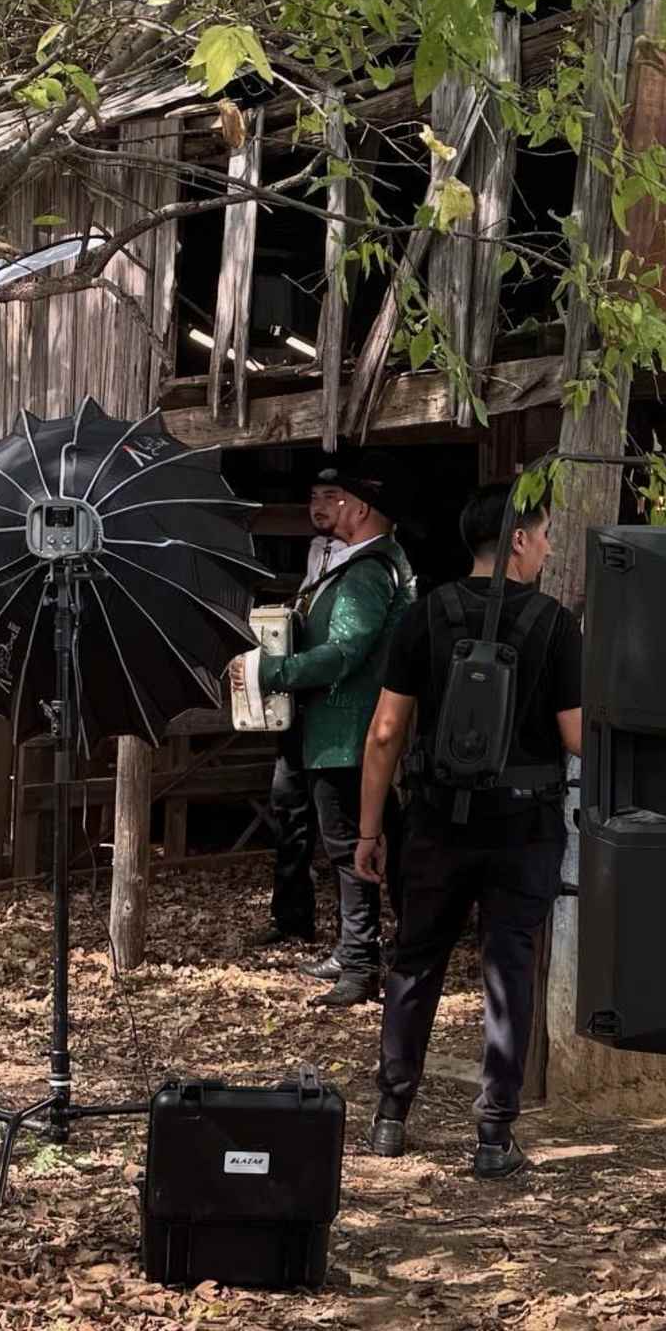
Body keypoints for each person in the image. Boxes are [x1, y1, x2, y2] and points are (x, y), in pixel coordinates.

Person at [355, 480, 583, 1177]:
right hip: (524, 823)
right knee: (509, 967)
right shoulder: (553, 624)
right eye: (544, 535)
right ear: (517, 539)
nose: (547, 548)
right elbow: (577, 738)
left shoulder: (424, 616)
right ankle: (492, 1136)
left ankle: (391, 1119)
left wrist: (371, 830)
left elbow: (387, 730)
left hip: (435, 820)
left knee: (415, 961)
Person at [241, 466, 415, 1006]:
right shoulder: (363, 564)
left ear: (360, 509)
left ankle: (361, 962)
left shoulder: (366, 572)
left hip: (347, 728)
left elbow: (345, 653)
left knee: (348, 846)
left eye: (334, 498)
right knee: (367, 839)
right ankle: (363, 947)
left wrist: (274, 672)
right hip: (343, 727)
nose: (323, 507)